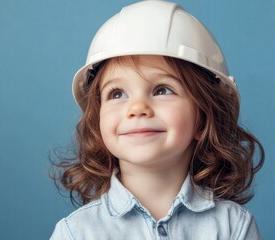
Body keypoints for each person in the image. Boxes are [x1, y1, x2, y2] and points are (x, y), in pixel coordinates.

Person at [49, 0, 265, 239]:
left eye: (162, 90)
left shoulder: (233, 226)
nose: (137, 108)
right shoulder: (75, 232)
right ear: (98, 121)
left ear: (203, 118)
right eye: (117, 93)